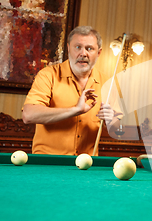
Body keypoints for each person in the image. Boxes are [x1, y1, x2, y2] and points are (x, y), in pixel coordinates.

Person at [22, 26, 121, 155]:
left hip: (87, 165)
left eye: (89, 48)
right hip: (47, 163)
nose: (83, 53)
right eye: (78, 47)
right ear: (68, 48)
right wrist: (75, 110)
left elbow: (117, 127)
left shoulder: (108, 83)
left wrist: (112, 120)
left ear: (99, 53)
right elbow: (28, 115)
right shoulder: (48, 75)